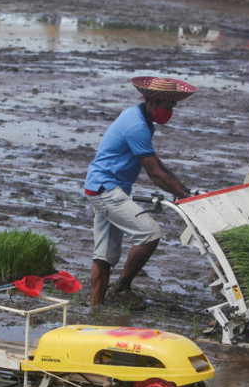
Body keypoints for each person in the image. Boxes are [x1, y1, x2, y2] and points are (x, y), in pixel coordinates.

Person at [84, 76, 197, 311]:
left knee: (103, 256)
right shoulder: (137, 126)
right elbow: (155, 174)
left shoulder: (141, 119)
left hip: (102, 187)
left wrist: (182, 189)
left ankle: (96, 309)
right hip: (106, 190)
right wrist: (183, 197)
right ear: (153, 101)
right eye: (167, 107)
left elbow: (156, 163)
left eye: (173, 108)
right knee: (150, 234)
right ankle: (122, 287)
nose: (170, 112)